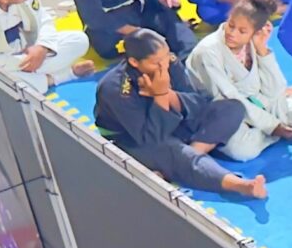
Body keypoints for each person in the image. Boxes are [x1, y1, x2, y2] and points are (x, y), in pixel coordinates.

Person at [92, 31, 266, 199]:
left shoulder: (169, 60)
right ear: (134, 62)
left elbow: (197, 103)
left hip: (176, 123)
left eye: (166, 56)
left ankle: (189, 156)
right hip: (134, 139)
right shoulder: (116, 89)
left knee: (232, 108)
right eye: (156, 62)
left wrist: (167, 94)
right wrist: (160, 97)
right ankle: (239, 185)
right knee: (172, 150)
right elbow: (151, 137)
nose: (164, 65)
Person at [184, 0, 292, 160]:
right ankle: (274, 132)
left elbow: (274, 89)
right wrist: (273, 127)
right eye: (231, 25)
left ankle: (271, 128)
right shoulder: (208, 51)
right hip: (225, 111)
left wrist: (262, 49)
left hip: (259, 103)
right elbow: (229, 97)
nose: (232, 33)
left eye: (242, 31)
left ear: (256, 32)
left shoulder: (254, 42)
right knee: (242, 151)